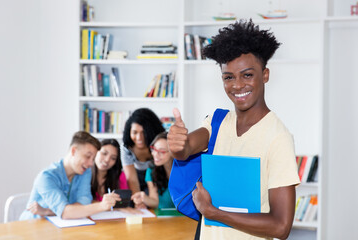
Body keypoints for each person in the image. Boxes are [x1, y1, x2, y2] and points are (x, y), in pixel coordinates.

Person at [167, 19, 300, 240]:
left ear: (265, 75)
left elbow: (281, 226)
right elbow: (187, 149)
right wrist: (177, 145)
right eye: (228, 77)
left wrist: (213, 213)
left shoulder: (278, 138)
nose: (237, 85)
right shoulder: (217, 122)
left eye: (247, 75)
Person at [20, 131, 121, 220]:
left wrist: (48, 211)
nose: (91, 163)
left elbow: (84, 203)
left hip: (62, 226)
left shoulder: (85, 171)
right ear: (73, 151)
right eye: (88, 156)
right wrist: (102, 205)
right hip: (32, 226)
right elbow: (65, 212)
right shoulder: (46, 177)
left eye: (93, 159)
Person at [121, 108, 165, 206]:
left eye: (143, 132)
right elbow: (131, 179)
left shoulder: (159, 143)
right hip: (135, 179)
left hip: (156, 177)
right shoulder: (126, 148)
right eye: (135, 132)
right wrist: (138, 201)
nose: (139, 138)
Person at [131, 132, 175, 209]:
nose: (155, 154)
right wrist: (144, 198)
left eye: (161, 151)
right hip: (163, 217)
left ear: (174, 152)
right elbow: (155, 203)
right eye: (154, 149)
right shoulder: (151, 171)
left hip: (184, 217)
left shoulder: (184, 171)